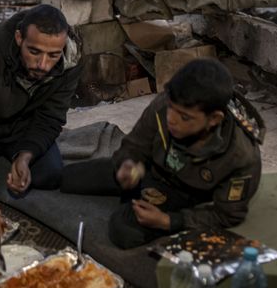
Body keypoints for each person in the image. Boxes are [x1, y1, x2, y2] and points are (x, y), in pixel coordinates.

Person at [61, 59, 264, 249]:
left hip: (184, 192)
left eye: (185, 117)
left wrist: (169, 222)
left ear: (214, 119)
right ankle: (128, 190)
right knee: (67, 178)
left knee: (124, 231)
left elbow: (227, 215)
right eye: (171, 110)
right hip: (150, 169)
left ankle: (140, 205)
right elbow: (135, 143)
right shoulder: (167, 104)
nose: (172, 120)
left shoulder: (241, 156)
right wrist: (128, 163)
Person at [0, 4, 82, 238]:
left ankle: (1, 164)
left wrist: (25, 155)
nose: (43, 65)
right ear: (19, 38)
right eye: (34, 51)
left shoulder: (71, 58)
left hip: (23, 125)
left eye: (53, 55)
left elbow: (51, 117)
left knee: (49, 175)